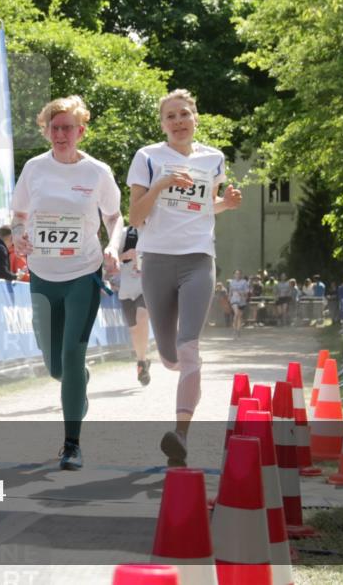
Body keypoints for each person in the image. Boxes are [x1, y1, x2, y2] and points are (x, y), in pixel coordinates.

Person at [126, 89, 242, 467]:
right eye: (170, 117)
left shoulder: (214, 159)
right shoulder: (148, 157)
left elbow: (203, 206)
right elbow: (135, 218)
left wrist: (227, 203)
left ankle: (180, 436)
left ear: (195, 118)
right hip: (157, 260)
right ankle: (170, 362)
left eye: (184, 115)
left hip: (198, 259)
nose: (178, 122)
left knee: (190, 349)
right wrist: (161, 184)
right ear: (162, 124)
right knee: (171, 356)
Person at [10, 95, 123, 471]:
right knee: (56, 367)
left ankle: (71, 444)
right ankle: (78, 382)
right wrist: (21, 235)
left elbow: (114, 218)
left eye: (67, 128)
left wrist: (113, 247)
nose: (60, 134)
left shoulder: (97, 172)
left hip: (83, 274)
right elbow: (19, 215)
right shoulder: (34, 169)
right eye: (54, 128)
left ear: (81, 131)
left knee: (73, 355)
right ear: (47, 131)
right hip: (43, 276)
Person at [117, 224, 151, 385]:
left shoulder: (156, 229)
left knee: (142, 316)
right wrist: (124, 256)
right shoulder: (124, 232)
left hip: (147, 286)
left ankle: (142, 362)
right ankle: (142, 361)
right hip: (126, 289)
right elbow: (111, 257)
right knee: (134, 330)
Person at [227, 269, 251, 339]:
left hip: (242, 300)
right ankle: (234, 330)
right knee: (236, 313)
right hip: (234, 300)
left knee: (239, 317)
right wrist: (229, 298)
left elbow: (247, 292)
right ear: (234, 275)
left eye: (239, 274)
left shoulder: (244, 282)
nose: (237, 275)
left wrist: (241, 293)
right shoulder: (231, 282)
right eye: (236, 274)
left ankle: (238, 330)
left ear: (241, 275)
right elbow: (230, 291)